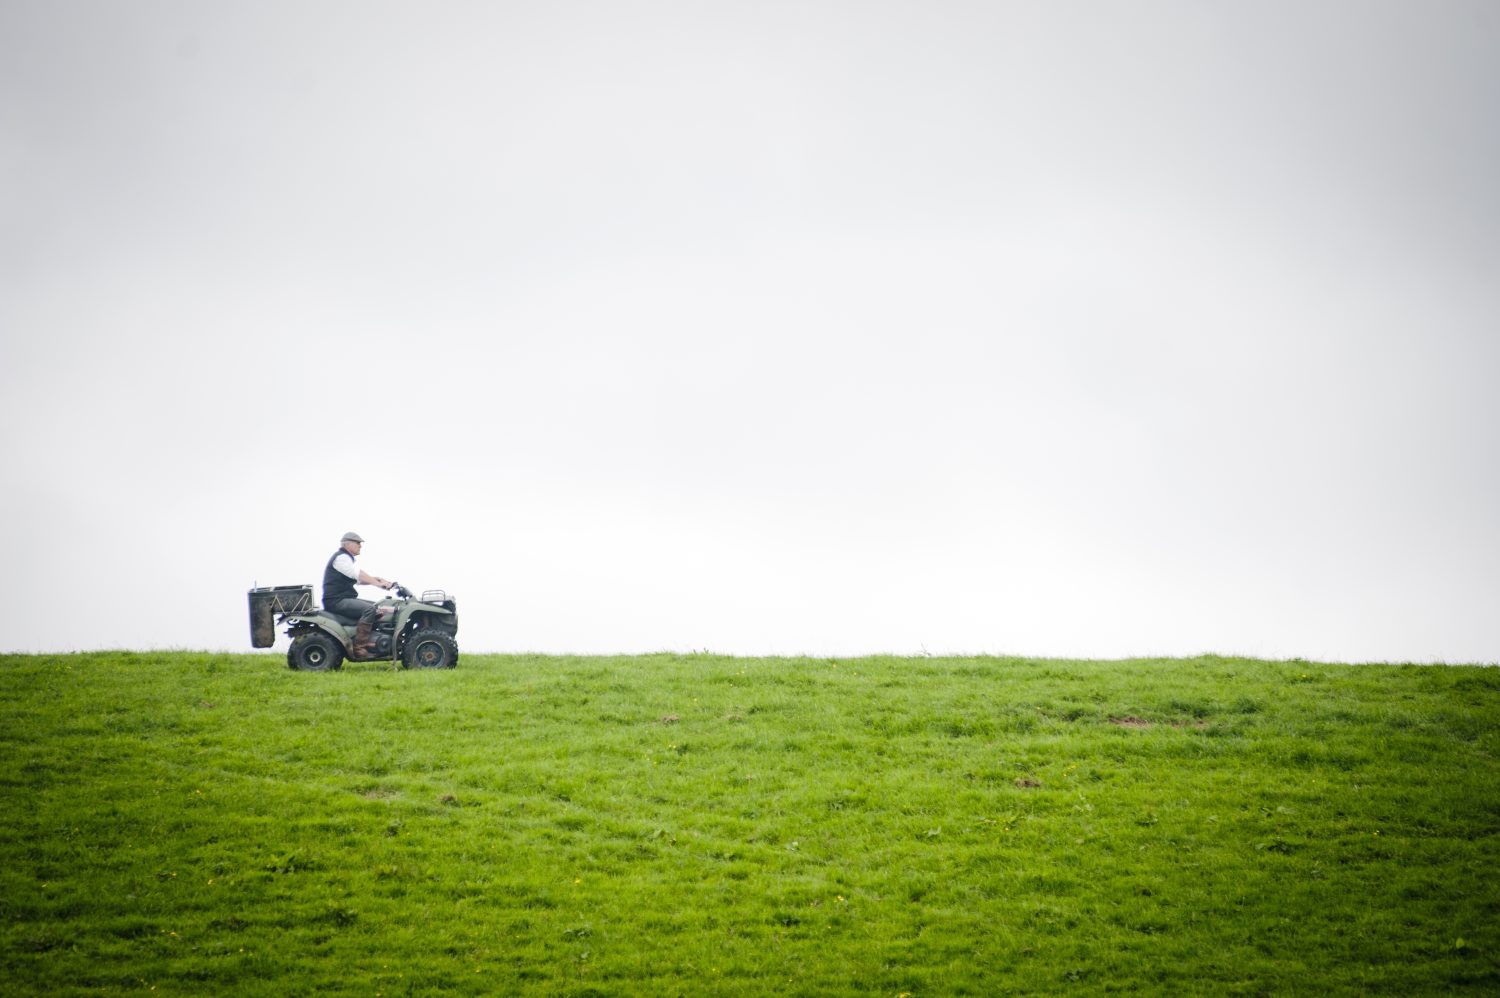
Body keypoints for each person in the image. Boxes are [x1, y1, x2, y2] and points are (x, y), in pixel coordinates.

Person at [323, 531, 394, 657]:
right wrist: (377, 584)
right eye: (358, 543)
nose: (360, 546)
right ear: (348, 544)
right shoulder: (341, 558)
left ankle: (374, 641)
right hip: (336, 600)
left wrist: (378, 579)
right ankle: (359, 647)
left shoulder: (347, 559)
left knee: (379, 607)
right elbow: (359, 574)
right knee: (369, 610)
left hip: (343, 598)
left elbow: (359, 579)